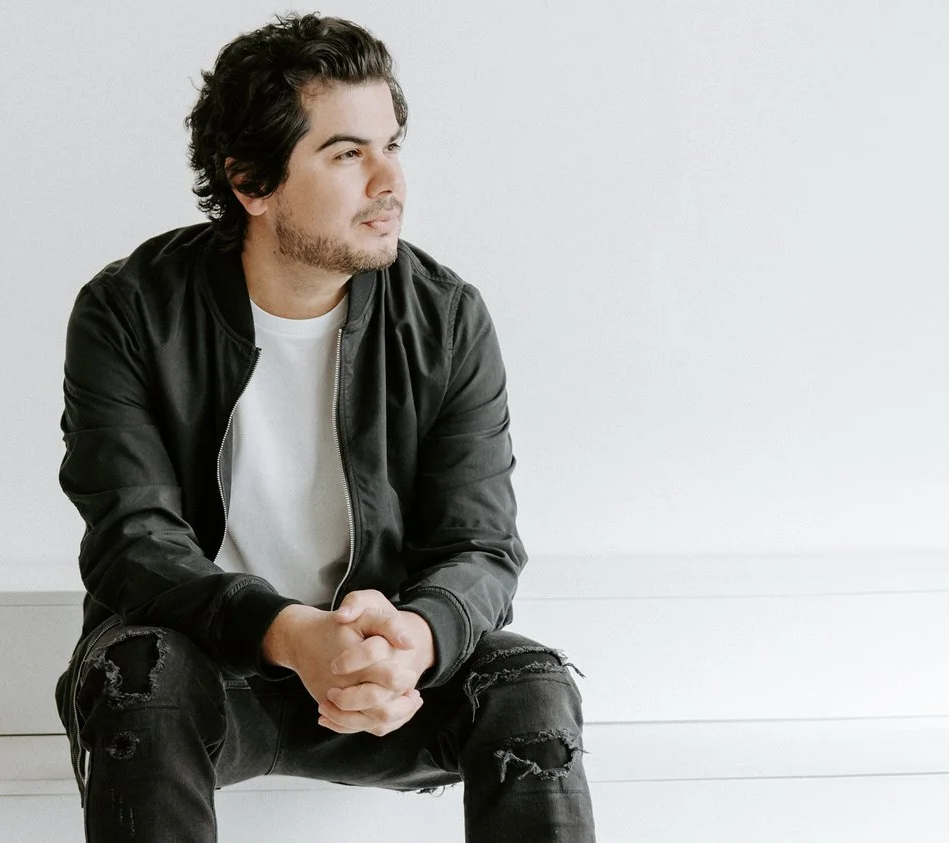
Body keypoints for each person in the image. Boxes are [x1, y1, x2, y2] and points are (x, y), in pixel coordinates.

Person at [52, 13, 595, 842]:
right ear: (250, 183)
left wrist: (417, 636)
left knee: (533, 686)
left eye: (393, 143)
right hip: (207, 674)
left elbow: (481, 547)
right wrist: (291, 634)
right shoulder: (130, 311)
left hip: (387, 683)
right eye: (347, 153)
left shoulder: (446, 320)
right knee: (140, 674)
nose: (390, 181)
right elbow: (133, 542)